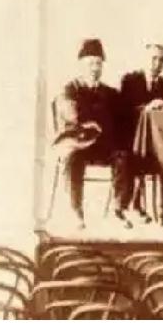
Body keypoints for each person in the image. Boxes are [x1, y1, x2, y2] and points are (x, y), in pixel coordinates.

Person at [52, 39, 131, 229]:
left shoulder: (109, 93)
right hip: (78, 143)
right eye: (90, 64)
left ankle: (118, 210)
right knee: (73, 157)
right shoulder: (70, 90)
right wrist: (89, 123)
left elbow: (122, 119)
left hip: (102, 146)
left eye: (98, 64)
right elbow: (72, 117)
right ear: (81, 65)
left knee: (124, 156)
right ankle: (75, 211)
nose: (95, 68)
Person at [118, 43, 163, 227]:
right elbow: (123, 111)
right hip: (133, 143)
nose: (157, 64)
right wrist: (147, 108)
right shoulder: (129, 80)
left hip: (157, 146)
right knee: (134, 158)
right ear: (144, 59)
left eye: (161, 60)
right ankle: (134, 207)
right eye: (153, 59)